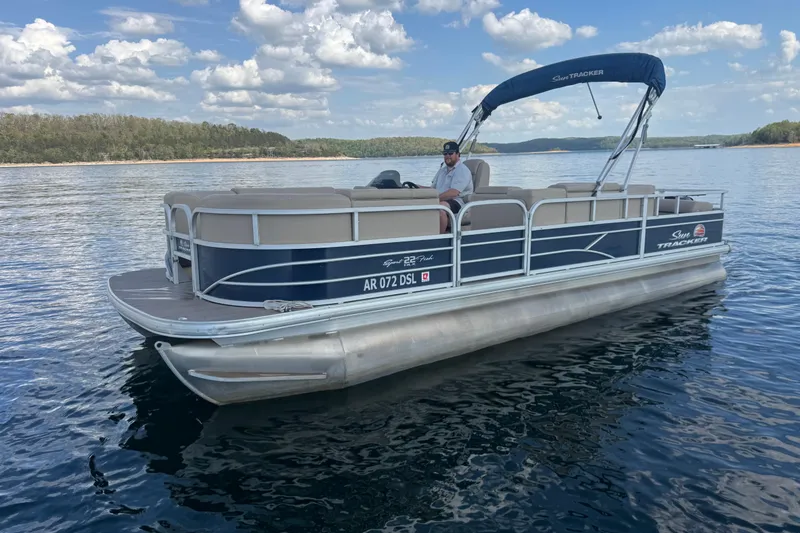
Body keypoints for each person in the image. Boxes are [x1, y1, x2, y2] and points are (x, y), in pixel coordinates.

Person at [429, 141, 474, 233]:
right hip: (441, 199)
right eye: (445, 153)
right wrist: (416, 188)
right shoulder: (442, 171)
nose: (447, 156)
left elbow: (454, 193)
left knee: (441, 208)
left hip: (458, 201)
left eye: (450, 153)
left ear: (458, 154)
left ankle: (440, 239)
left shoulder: (462, 170)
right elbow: (432, 189)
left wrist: (433, 199)